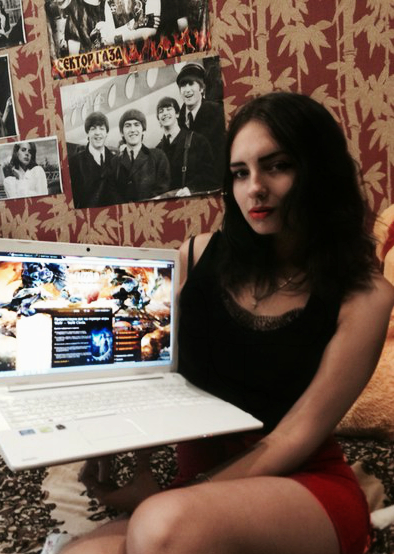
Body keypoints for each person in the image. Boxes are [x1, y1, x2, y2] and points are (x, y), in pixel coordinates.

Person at [60, 91, 394, 554]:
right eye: (240, 172)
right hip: (201, 486)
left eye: (277, 166)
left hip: (302, 484)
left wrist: (176, 494)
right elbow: (152, 372)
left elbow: (295, 435)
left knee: (158, 527)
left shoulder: (365, 295)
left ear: (318, 171)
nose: (254, 187)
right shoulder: (196, 256)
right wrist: (124, 452)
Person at [155, 96, 219, 197]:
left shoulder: (197, 141)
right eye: (161, 111)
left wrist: (191, 189)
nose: (165, 113)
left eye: (169, 109)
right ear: (158, 119)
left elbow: (210, 176)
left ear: (177, 113)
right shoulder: (157, 151)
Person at [176, 61, 226, 182]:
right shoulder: (179, 120)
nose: (187, 90)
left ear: (202, 88)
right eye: (183, 85)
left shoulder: (217, 113)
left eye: (191, 84)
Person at [110, 108, 170, 204]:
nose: (132, 130)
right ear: (122, 132)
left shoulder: (158, 157)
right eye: (128, 126)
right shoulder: (114, 163)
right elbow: (113, 194)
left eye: (136, 125)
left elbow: (162, 189)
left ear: (143, 130)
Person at [69, 111, 115, 208]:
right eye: (93, 128)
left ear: (106, 133)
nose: (98, 133)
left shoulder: (116, 161)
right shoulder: (74, 162)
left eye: (102, 128)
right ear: (87, 133)